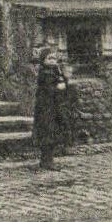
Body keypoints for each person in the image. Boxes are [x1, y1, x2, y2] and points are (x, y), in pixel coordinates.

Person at [32, 41, 71, 170]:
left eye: (54, 58)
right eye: (49, 58)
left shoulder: (55, 71)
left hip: (54, 107)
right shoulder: (45, 73)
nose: (53, 61)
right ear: (43, 60)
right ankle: (46, 160)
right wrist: (58, 87)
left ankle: (49, 159)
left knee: (52, 132)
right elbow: (48, 90)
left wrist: (64, 79)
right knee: (47, 133)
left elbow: (63, 82)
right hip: (46, 108)